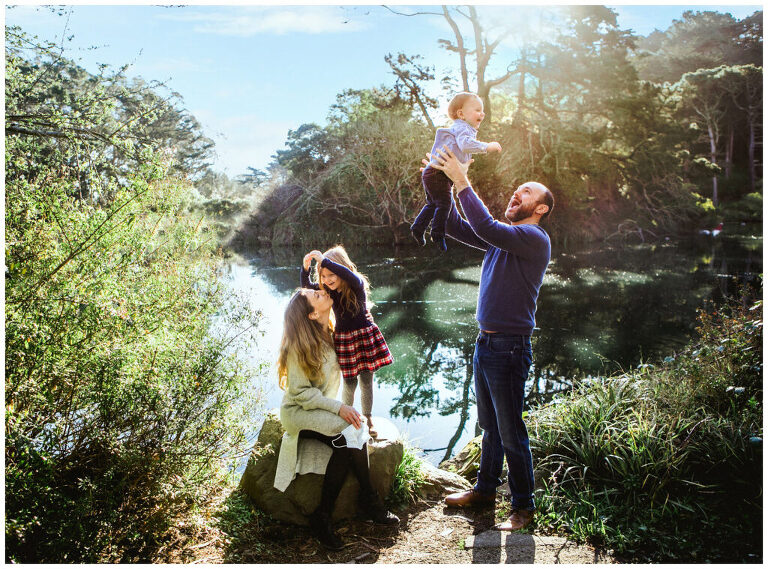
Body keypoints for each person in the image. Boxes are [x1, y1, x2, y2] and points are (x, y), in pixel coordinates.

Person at [427, 147, 554, 532]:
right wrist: (440, 185)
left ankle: (523, 507)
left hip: (510, 347)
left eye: (527, 192)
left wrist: (462, 178)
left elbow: (484, 227)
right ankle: (484, 491)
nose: (518, 193)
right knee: (491, 427)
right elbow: (456, 227)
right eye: (518, 189)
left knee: (511, 428)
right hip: (486, 344)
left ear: (541, 209)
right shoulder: (506, 239)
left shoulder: (533, 238)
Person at [273, 289, 399, 551]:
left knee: (350, 436)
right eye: (316, 295)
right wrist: (339, 407)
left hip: (319, 408)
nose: (322, 291)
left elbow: (341, 285)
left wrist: (313, 264)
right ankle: (362, 504)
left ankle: (340, 510)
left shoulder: (329, 331)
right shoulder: (300, 344)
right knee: (349, 430)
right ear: (312, 313)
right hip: (298, 412)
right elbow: (300, 393)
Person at [301, 245, 393, 438]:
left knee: (367, 380)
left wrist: (324, 261)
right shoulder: (331, 292)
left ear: (341, 268)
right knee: (349, 383)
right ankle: (347, 417)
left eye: (330, 274)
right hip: (344, 340)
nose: (326, 280)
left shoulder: (356, 285)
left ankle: (367, 418)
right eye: (323, 276)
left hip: (364, 336)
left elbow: (352, 277)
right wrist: (306, 269)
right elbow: (307, 289)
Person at [411, 92, 502, 252]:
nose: (482, 113)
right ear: (461, 114)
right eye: (477, 110)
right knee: (443, 203)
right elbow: (466, 145)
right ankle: (437, 234)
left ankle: (418, 228)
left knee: (433, 204)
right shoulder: (462, 127)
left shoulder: (462, 128)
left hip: (433, 172)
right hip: (437, 174)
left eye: (482, 110)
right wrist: (486, 147)